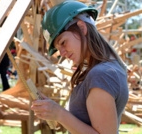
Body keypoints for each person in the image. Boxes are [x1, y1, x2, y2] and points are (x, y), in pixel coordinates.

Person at [31, 1, 129, 134]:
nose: (63, 54)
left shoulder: (101, 74)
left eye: (63, 42)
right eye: (59, 49)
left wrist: (59, 114)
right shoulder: (108, 68)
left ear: (82, 28)